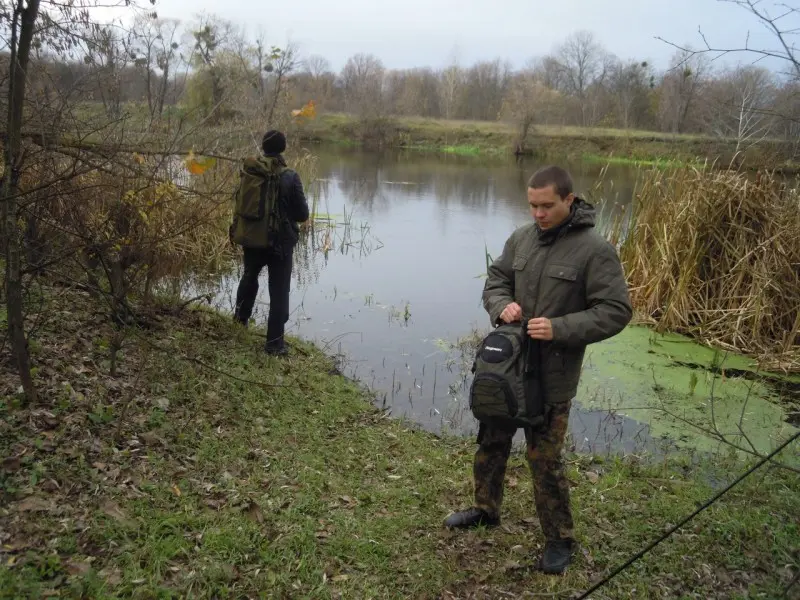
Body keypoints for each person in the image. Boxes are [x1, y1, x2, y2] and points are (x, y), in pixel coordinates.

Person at [444, 165, 633, 574]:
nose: (538, 214)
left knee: (544, 459)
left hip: (552, 377)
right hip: (506, 370)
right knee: (491, 441)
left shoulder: (595, 250)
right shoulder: (521, 239)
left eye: (546, 206)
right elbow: (495, 281)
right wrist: (501, 306)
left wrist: (560, 328)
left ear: (569, 199)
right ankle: (485, 510)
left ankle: (559, 540)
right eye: (532, 205)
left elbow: (616, 311)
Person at [232, 130, 309, 356]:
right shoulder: (290, 176)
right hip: (280, 244)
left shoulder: (251, 170)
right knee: (279, 291)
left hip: (253, 237)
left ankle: (239, 323)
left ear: (264, 148)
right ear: (283, 148)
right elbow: (302, 214)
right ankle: (274, 344)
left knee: (249, 277)